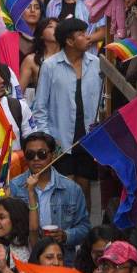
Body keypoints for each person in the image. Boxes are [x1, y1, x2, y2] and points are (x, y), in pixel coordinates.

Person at [32, 18, 103, 195]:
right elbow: (40, 108)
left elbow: (102, 101)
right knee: (65, 193)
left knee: (84, 192)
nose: (88, 38)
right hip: (61, 143)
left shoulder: (96, 63)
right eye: (81, 35)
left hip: (88, 140)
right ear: (69, 41)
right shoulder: (50, 66)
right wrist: (48, 141)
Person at [6, 132, 89, 254]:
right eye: (30, 154)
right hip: (26, 256)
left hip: (62, 259)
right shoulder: (14, 186)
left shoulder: (72, 189)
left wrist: (65, 235)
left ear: (53, 155)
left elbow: (85, 228)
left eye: (42, 154)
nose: (36, 159)